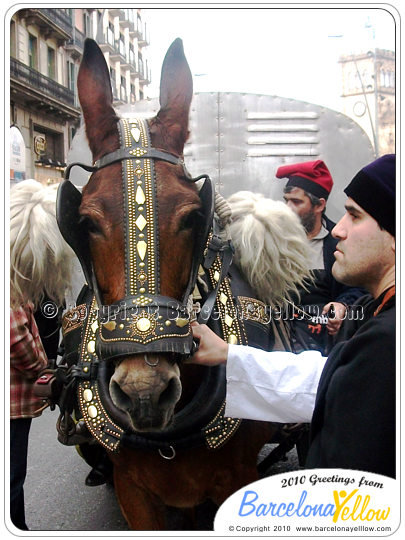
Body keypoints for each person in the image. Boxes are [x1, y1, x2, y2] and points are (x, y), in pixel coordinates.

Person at [190, 154, 395, 478]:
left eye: (354, 216)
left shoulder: (387, 339)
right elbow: (331, 379)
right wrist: (229, 353)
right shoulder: (380, 316)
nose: (340, 229)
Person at [10, 180, 74, 529]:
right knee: (12, 474)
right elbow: (14, 335)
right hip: (11, 400)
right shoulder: (12, 288)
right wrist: (42, 366)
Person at [276, 160, 364, 354]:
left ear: (319, 205)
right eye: (286, 200)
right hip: (277, 343)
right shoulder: (274, 239)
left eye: (297, 202)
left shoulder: (338, 241)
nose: (287, 209)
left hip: (321, 345)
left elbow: (359, 287)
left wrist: (342, 305)